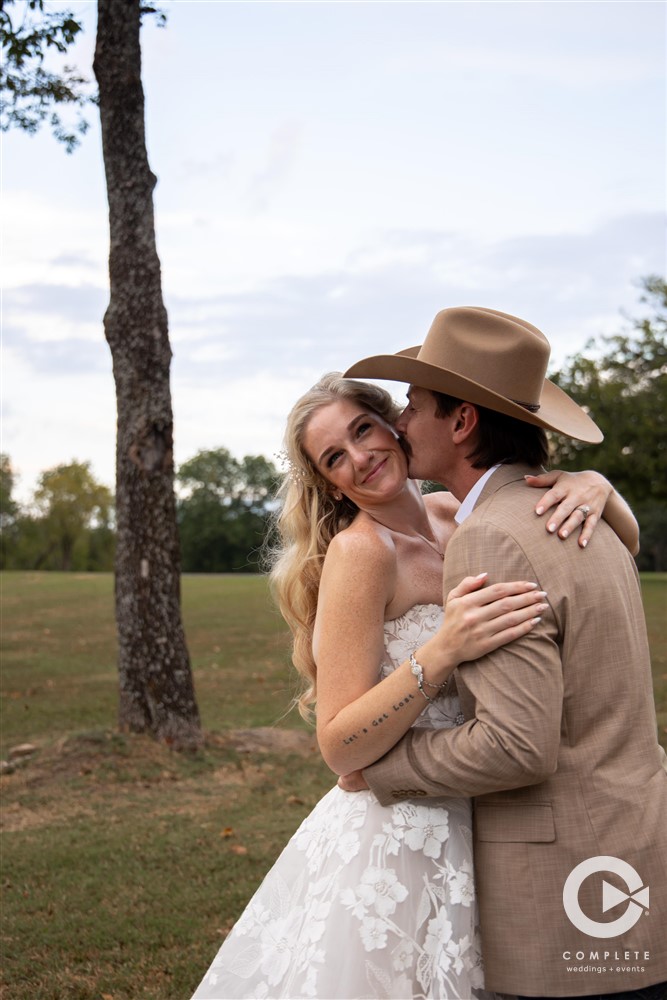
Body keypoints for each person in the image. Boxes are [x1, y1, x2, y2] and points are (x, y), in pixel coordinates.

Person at [191, 373, 639, 1000]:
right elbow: (339, 746)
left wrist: (596, 485)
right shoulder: (361, 556)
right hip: (403, 830)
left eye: (362, 430)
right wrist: (442, 650)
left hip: (489, 803)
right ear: (327, 481)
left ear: (394, 423)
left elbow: (602, 552)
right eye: (334, 458)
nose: (360, 457)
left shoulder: (459, 514)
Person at [342, 306, 667, 1000]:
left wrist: (382, 767)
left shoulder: (491, 537)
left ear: (461, 422)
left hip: (561, 894)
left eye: (413, 404)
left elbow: (514, 747)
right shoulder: (589, 513)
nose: (399, 421)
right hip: (632, 860)